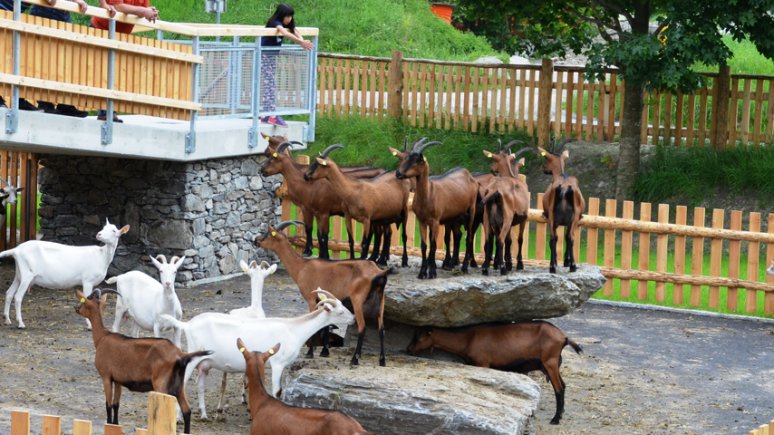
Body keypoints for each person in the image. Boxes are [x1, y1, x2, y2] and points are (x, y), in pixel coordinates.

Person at [0, 0, 116, 114]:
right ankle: (28, 101)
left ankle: (47, 101)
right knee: (29, 59)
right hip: (12, 10)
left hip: (12, 12)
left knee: (57, 60)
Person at [91, 0, 158, 122]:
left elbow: (138, 10)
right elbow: (117, 6)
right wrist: (144, 11)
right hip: (101, 30)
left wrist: (149, 12)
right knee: (97, 73)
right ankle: (67, 105)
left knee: (114, 74)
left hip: (119, 36)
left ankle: (107, 111)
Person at [260, 3, 313, 127]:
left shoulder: (288, 23)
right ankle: (270, 114)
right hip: (264, 55)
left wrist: (302, 39)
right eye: (287, 16)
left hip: (271, 56)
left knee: (270, 84)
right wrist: (301, 42)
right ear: (281, 15)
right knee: (270, 85)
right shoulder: (275, 22)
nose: (289, 19)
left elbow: (295, 30)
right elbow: (284, 32)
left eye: (290, 17)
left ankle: (267, 114)